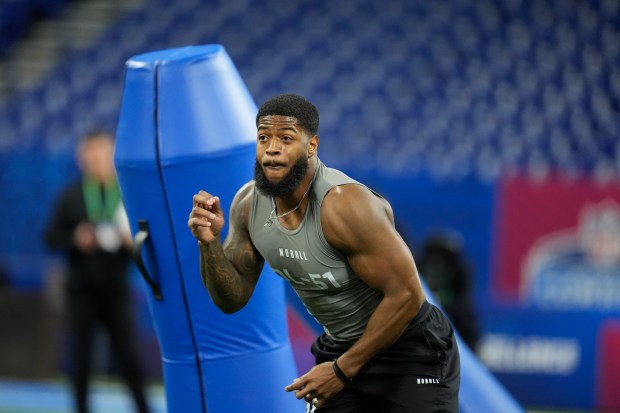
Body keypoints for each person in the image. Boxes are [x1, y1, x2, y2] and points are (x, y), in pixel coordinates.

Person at [187, 94, 460, 412]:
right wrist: (209, 244)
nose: (272, 149)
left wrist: (342, 371)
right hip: (341, 348)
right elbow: (230, 300)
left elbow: (407, 296)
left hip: (411, 352)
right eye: (264, 138)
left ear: (311, 146)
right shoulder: (248, 206)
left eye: (285, 138)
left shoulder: (345, 206)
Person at [45, 129, 151, 413]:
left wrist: (134, 241)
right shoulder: (72, 195)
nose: (95, 159)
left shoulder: (128, 195)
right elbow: (51, 237)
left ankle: (144, 409)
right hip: (81, 290)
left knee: (128, 356)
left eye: (101, 152)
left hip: (116, 289)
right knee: (81, 357)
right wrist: (76, 238)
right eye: (89, 153)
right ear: (81, 158)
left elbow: (149, 238)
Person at [417, 233, 479, 350]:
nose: (437, 269)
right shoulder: (417, 275)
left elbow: (468, 329)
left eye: (442, 262)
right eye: (433, 262)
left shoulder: (459, 282)